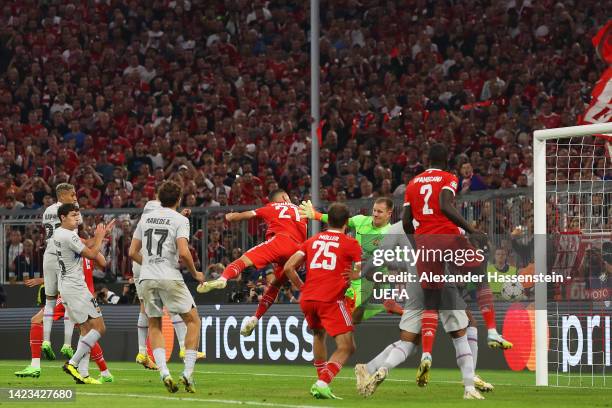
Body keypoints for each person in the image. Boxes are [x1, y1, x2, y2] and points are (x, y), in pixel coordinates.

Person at [402, 144, 512, 387]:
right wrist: (472, 229)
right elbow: (444, 204)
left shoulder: (412, 184)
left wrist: (419, 240)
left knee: (431, 300)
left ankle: (427, 353)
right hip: (449, 238)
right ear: (447, 159)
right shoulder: (448, 178)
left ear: (426, 159)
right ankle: (492, 330)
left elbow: (406, 222)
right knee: (480, 274)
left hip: (425, 243)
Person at [354, 221, 488, 400]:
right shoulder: (439, 220)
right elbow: (464, 242)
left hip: (415, 284)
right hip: (441, 279)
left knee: (410, 341)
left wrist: (363, 272)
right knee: (464, 328)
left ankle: (372, 368)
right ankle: (470, 382)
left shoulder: (397, 228)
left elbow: (381, 256)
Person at [197, 189, 307, 337]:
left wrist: (231, 217)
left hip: (280, 241)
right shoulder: (302, 210)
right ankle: (255, 317)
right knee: (274, 286)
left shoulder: (272, 207)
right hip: (298, 253)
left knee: (242, 261)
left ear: (276, 200)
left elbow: (248, 214)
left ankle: (223, 279)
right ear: (285, 197)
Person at [129, 181, 204, 393]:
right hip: (169, 276)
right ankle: (188, 374)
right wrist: (195, 272)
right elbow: (183, 252)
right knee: (193, 320)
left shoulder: (145, 218)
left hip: (146, 277)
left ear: (159, 199)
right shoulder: (180, 219)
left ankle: (164, 372)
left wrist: (151, 264)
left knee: (155, 325)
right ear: (179, 199)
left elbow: (132, 252)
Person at [283, 202, 362, 400]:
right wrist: (354, 274)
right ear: (346, 222)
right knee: (347, 346)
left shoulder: (313, 240)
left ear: (329, 221)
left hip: (308, 298)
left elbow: (288, 268)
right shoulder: (350, 243)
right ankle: (322, 382)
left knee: (319, 335)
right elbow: (361, 269)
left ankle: (322, 382)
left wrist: (302, 287)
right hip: (331, 299)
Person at [299, 197, 393, 324]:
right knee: (340, 315)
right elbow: (339, 221)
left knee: (349, 317)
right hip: (354, 279)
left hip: (374, 283)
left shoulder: (392, 234)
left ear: (389, 213)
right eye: (374, 210)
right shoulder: (361, 220)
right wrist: (316, 215)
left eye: (380, 212)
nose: (375, 214)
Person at [54, 203, 112, 384]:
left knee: (85, 330)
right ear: (63, 217)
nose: (77, 219)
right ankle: (73, 363)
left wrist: (100, 236)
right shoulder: (69, 235)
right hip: (76, 288)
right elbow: (93, 254)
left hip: (67, 287)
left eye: (77, 215)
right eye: (73, 215)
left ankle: (84, 374)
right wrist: (100, 237)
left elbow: (86, 246)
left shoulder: (59, 234)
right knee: (99, 328)